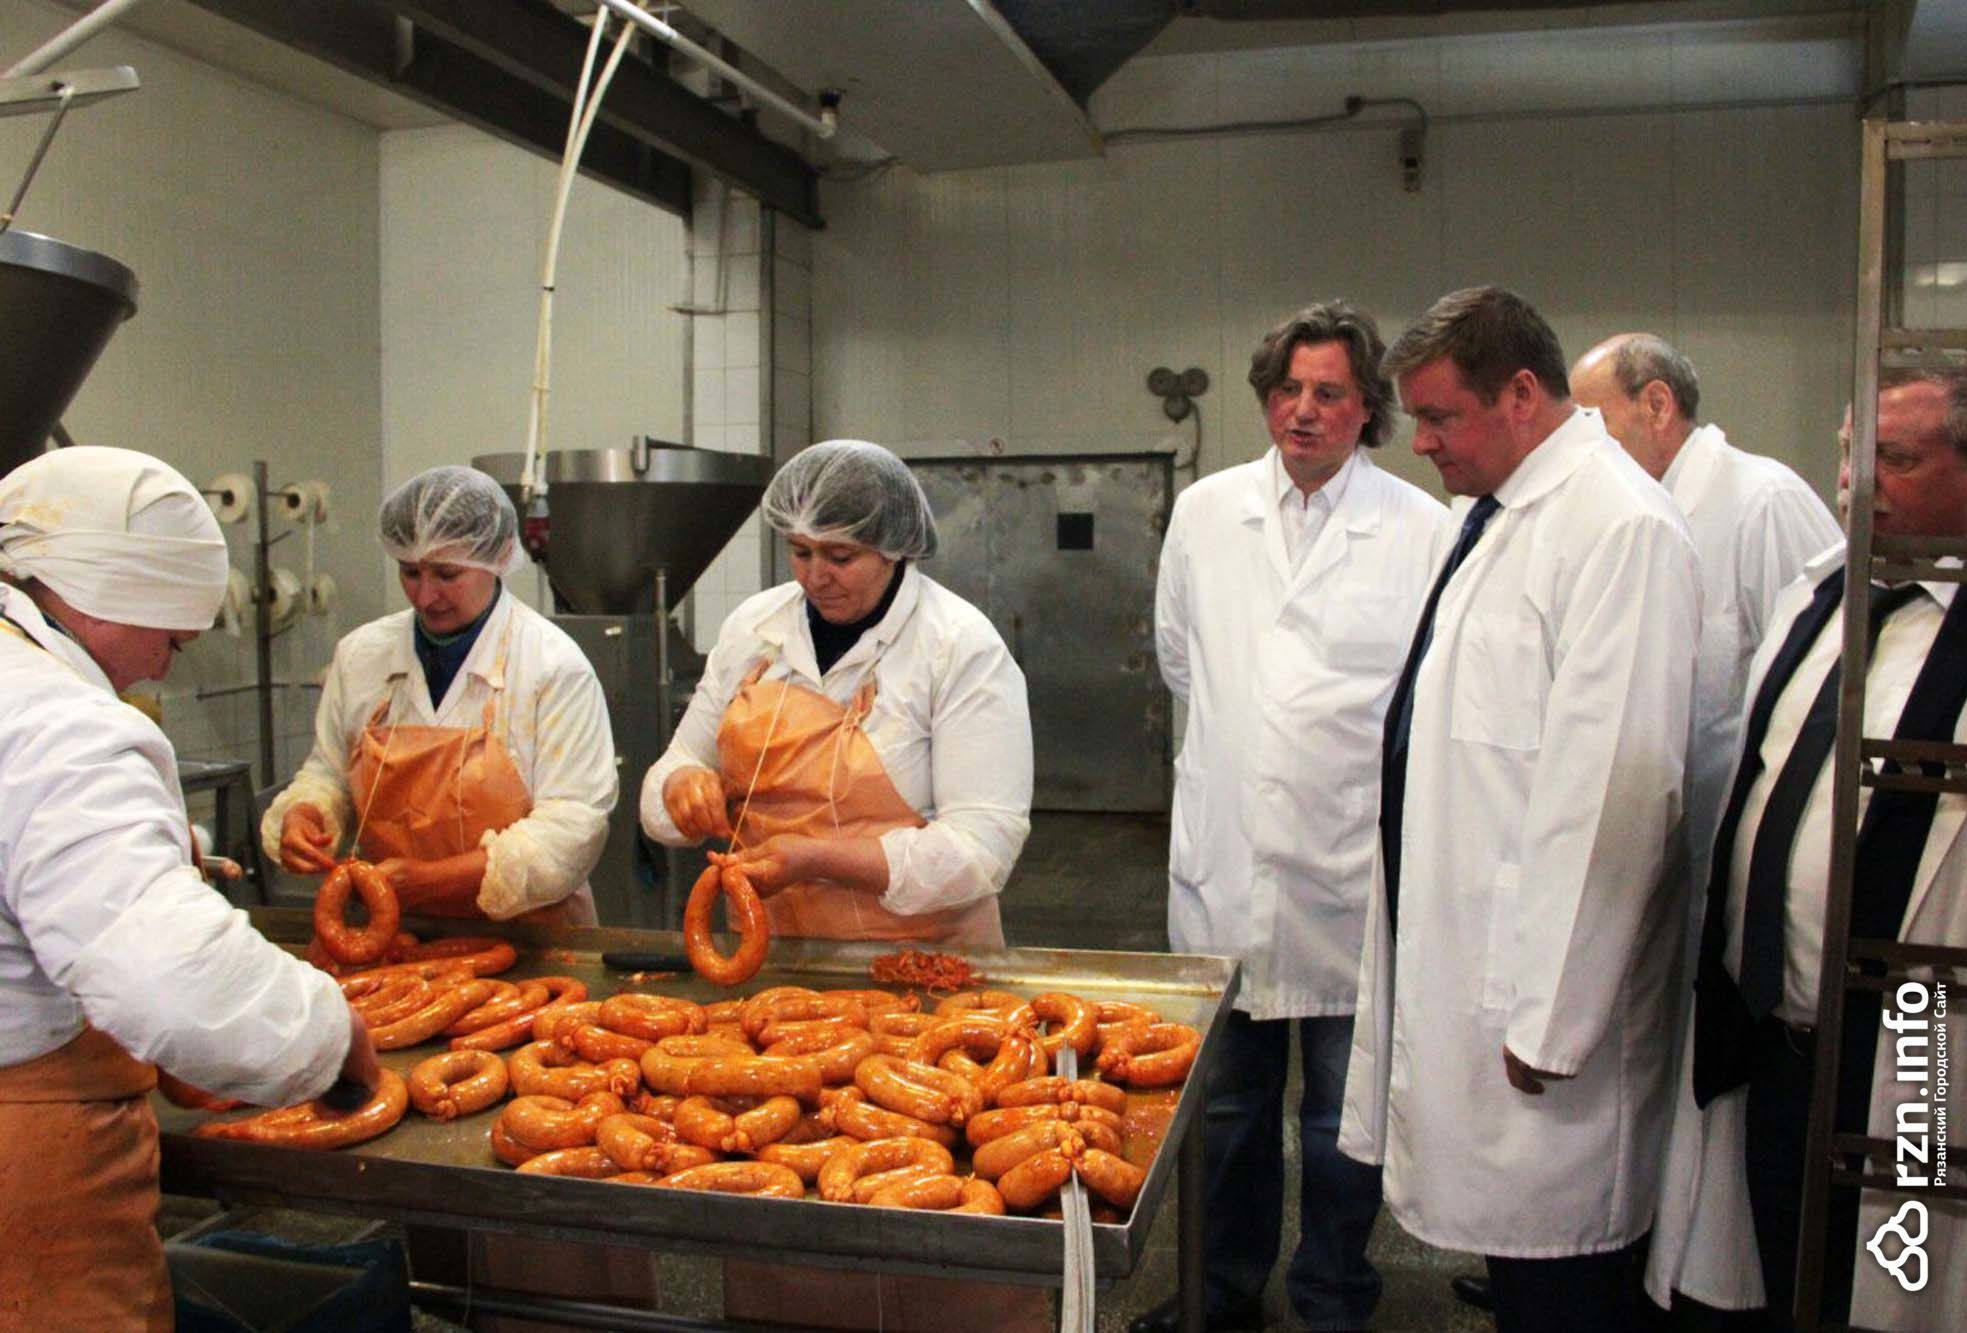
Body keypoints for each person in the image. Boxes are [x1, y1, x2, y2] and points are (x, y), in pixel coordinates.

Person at [1338, 287, 1701, 1333]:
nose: (1419, 442)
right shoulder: (1498, 516)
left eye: (1438, 416)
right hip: (1473, 959)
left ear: (1523, 394)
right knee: (1519, 1270)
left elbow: (1618, 790)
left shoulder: (1618, 527)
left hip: (1544, 1015)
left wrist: (1552, 1014)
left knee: (1565, 1281)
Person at [641, 437, 1033, 1328]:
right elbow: (664, 782)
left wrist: (818, 855)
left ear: (894, 546)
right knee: (789, 1202)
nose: (817, 575)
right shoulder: (756, 630)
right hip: (783, 982)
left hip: (924, 981)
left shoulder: (957, 647)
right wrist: (681, 789)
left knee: (927, 1202)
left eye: (842, 555)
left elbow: (983, 847)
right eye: (801, 551)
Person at [0, 446, 377, 1329]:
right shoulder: (61, 722)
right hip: (27, 1158)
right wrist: (329, 1036)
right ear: (113, 592)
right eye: (170, 637)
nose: (167, 665)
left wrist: (175, 854)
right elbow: (168, 977)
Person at [1130, 302, 1451, 1333]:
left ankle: (1332, 1294)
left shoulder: (1421, 528)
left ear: (1367, 409)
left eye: (1327, 393)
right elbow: (1181, 658)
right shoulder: (1205, 512)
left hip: (1351, 872)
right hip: (1228, 863)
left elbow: (1429, 697)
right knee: (1224, 1109)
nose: (1302, 410)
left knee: (1340, 1118)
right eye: (1286, 390)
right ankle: (1222, 1291)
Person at [1660, 369, 1967, 1331]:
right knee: (1783, 1269)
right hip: (1777, 1035)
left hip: (1925, 1046)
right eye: (1852, 453)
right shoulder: (1822, 592)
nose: (1857, 481)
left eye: (1897, 459)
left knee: (1907, 1277)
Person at [1569, 335, 1842, 1321]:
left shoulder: (1761, 503)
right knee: (1644, 1080)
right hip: (1658, 861)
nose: (1578, 443)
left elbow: (1818, 681)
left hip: (1742, 881)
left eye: (1593, 420)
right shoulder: (1619, 511)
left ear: (1655, 405)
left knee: (1725, 1113)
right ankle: (1629, 1259)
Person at [263, 465, 617, 925]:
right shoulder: (361, 655)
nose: (425, 596)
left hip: (531, 935)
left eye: (447, 574)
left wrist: (433, 880)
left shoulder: (551, 666)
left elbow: (571, 828)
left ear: (498, 557)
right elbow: (329, 772)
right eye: (410, 572)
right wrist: (308, 813)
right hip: (393, 931)